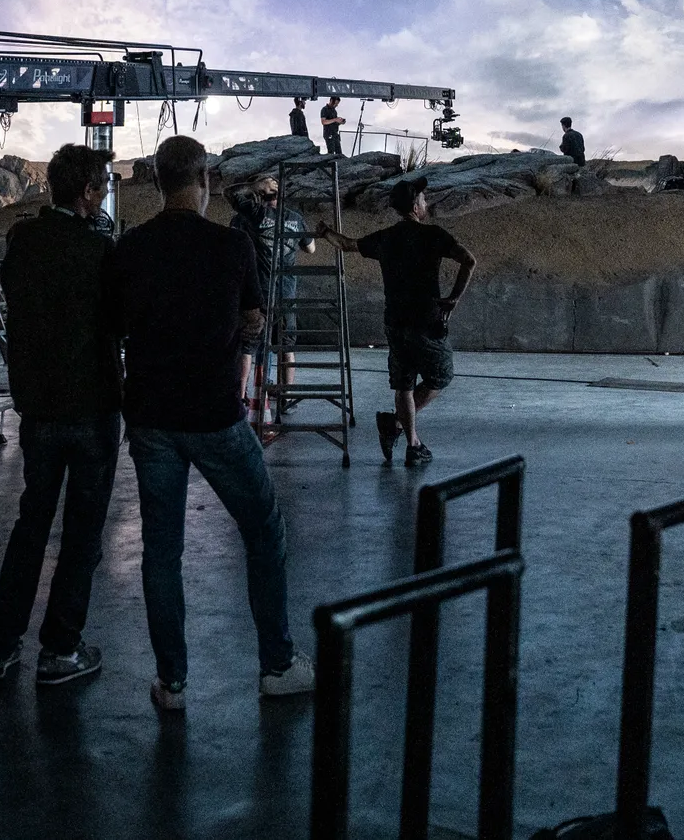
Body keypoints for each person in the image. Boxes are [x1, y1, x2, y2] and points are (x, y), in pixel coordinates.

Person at [104, 135, 314, 711]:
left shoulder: (131, 247)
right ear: (204, 182)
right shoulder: (231, 245)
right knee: (263, 529)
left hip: (151, 417)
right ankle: (277, 665)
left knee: (161, 551)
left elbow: (114, 327)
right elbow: (255, 319)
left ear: (158, 181)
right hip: (215, 415)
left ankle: (172, 683)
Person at [0, 145, 123, 685]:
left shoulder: (24, 241)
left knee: (31, 525)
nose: (106, 192)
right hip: (91, 406)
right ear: (87, 190)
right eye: (103, 184)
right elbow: (119, 321)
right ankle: (60, 650)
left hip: (38, 408)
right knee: (83, 534)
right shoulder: (100, 249)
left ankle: (0, 646)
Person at [319, 179, 476, 467]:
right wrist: (453, 298)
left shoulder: (386, 238)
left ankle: (411, 442)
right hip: (426, 322)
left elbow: (346, 244)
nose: (426, 203)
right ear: (415, 206)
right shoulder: (434, 235)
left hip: (395, 322)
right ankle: (397, 426)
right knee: (440, 376)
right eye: (424, 199)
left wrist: (325, 231)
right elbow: (469, 260)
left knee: (404, 383)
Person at [228, 174, 315, 394]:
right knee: (286, 345)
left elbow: (231, 194)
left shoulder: (254, 214)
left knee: (248, 346)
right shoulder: (295, 218)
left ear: (258, 195)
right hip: (286, 292)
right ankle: (286, 392)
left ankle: (241, 394)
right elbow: (311, 248)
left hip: (259, 291)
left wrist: (253, 186)